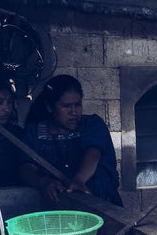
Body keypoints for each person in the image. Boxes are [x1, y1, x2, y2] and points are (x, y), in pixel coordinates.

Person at [20, 75, 122, 206]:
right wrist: (43, 182)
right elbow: (26, 168)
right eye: (66, 106)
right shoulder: (34, 132)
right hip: (57, 208)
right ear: (50, 107)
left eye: (78, 105)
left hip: (102, 203)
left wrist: (79, 180)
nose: (74, 112)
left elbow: (93, 153)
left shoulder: (92, 124)